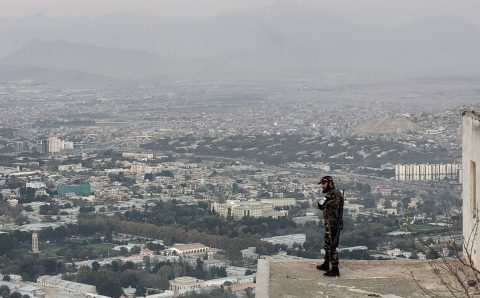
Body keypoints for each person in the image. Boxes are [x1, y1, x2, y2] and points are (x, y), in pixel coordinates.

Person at [316, 175, 344, 277]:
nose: (322, 186)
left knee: (331, 246)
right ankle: (326, 264)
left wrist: (323, 202)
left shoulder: (334, 194)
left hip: (333, 223)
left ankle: (335, 269)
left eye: (324, 184)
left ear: (330, 183)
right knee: (328, 244)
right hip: (330, 222)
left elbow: (320, 205)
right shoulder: (332, 194)